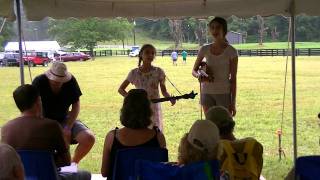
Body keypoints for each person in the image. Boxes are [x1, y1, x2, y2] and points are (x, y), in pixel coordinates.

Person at [1, 84, 91, 179]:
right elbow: (66, 162)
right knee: (86, 174)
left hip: (23, 177)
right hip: (50, 177)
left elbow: (6, 162)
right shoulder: (51, 126)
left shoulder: (6, 128)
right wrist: (65, 142)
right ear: (38, 101)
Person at [32, 62, 95, 165]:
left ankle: (71, 166)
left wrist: (68, 127)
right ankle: (50, 167)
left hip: (65, 118)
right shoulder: (39, 81)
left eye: (62, 80)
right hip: (43, 120)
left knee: (88, 138)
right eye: (55, 81)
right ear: (49, 76)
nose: (59, 83)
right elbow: (32, 105)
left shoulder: (71, 81)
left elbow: (76, 104)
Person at [101, 89, 166, 179]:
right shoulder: (159, 137)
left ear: (125, 110)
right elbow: (162, 171)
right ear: (147, 111)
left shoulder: (111, 137)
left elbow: (104, 172)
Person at [118, 44, 176, 131]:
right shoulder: (134, 73)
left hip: (154, 107)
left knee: (154, 131)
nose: (150, 55)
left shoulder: (159, 72)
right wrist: (132, 100)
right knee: (139, 130)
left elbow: (164, 91)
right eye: (147, 52)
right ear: (141, 54)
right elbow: (121, 89)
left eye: (153, 53)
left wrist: (170, 98)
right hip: (139, 107)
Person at [192, 17, 238, 116]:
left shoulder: (232, 51)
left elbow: (233, 79)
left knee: (224, 126)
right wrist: (198, 76)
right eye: (212, 27)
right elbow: (194, 70)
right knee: (209, 125)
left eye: (218, 27)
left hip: (224, 93)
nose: (214, 30)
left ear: (224, 30)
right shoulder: (204, 49)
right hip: (206, 93)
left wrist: (233, 103)